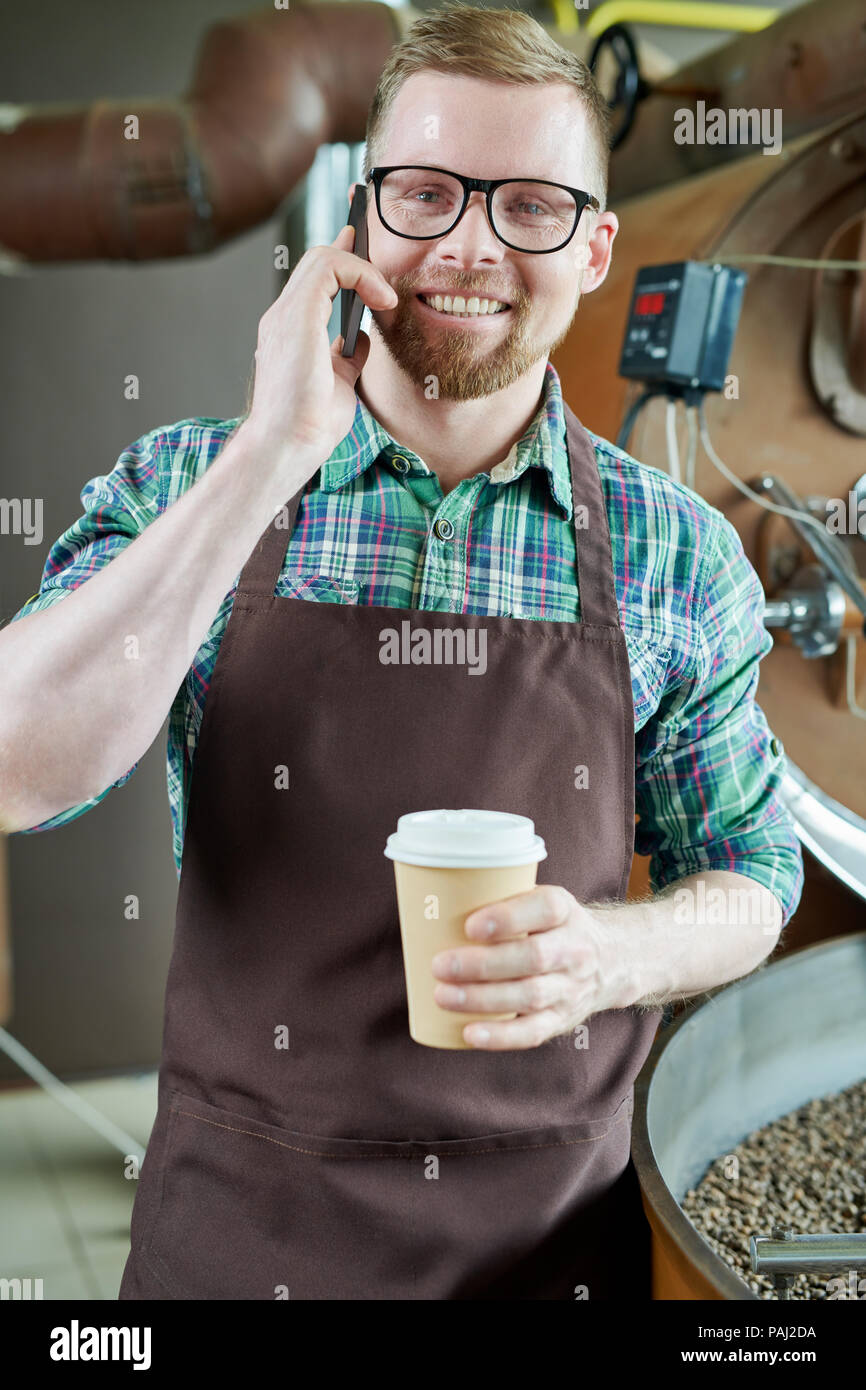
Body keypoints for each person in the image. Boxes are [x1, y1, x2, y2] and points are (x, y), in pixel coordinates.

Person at [0, 3, 802, 1299]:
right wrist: (265, 458)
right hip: (234, 1247)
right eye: (425, 192)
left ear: (596, 248)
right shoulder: (186, 481)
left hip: (546, 1258)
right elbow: (13, 768)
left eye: (530, 205)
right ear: (359, 220)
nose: (471, 244)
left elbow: (752, 869)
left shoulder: (675, 554)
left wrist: (616, 953)